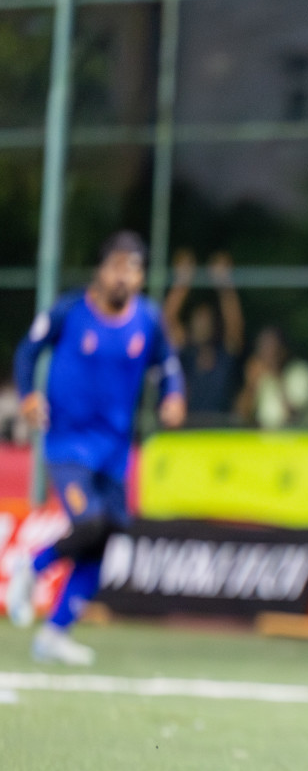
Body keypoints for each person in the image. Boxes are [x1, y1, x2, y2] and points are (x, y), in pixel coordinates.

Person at [7, 231, 186, 664]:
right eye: (116, 266)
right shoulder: (70, 310)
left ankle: (54, 633)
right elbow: (28, 352)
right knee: (89, 524)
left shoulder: (148, 320)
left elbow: (168, 366)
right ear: (101, 271)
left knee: (107, 537)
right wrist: (29, 395)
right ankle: (31, 566)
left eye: (134, 268)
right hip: (67, 442)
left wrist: (173, 395)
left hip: (114, 450)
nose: (124, 276)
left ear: (142, 277)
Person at [163, 250, 244, 423]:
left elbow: (235, 326)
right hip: (186, 426)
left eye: (208, 319)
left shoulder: (223, 351)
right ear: (190, 323)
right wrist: (182, 282)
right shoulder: (185, 351)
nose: (203, 323)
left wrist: (225, 284)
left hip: (221, 428)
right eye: (199, 318)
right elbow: (166, 322)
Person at [235, 325, 308, 430]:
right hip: (263, 440)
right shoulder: (260, 375)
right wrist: (251, 386)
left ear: (283, 349)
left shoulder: (301, 372)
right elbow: (241, 414)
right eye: (263, 347)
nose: (268, 352)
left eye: (272, 346)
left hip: (296, 440)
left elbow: (294, 415)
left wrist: (276, 373)